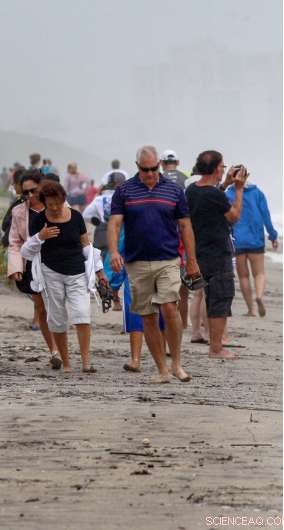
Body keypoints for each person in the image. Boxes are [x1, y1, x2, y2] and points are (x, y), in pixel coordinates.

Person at [108, 145, 199, 383]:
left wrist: (192, 260)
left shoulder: (174, 190)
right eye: (145, 169)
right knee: (147, 316)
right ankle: (162, 370)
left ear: (159, 164)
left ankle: (177, 363)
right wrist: (115, 251)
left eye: (153, 168)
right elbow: (115, 224)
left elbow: (186, 226)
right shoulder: (125, 190)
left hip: (168, 258)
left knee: (170, 307)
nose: (149, 173)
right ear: (137, 166)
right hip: (137, 262)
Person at [20, 181, 106, 373]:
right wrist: (40, 236)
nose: (55, 208)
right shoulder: (39, 220)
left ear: (63, 199)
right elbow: (26, 251)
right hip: (51, 273)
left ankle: (86, 362)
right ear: (44, 203)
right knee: (57, 318)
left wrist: (99, 271)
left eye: (58, 203)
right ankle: (66, 363)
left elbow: (86, 246)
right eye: (50, 204)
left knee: (82, 314)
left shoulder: (75, 217)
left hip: (77, 272)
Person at [186, 151, 247, 359]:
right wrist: (238, 189)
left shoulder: (192, 190)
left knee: (206, 297)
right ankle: (216, 348)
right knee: (219, 300)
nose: (224, 170)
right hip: (218, 254)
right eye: (222, 166)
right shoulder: (214, 194)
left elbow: (210, 201)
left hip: (198, 252)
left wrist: (226, 185)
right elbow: (234, 216)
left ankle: (212, 343)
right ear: (215, 169)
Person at [7, 170, 60, 367]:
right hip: (32, 264)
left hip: (58, 262)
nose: (30, 196)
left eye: (33, 191)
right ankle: (54, 351)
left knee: (58, 308)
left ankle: (61, 346)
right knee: (41, 308)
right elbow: (14, 241)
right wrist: (15, 266)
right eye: (25, 193)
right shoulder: (19, 212)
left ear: (41, 187)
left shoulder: (58, 205)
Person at [225, 178, 279, 317]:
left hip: (237, 240)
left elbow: (225, 217)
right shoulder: (257, 193)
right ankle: (259, 295)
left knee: (243, 277)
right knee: (259, 273)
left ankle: (251, 310)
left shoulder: (228, 194)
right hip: (256, 240)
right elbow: (266, 216)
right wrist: (273, 236)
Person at [83, 171, 127, 310]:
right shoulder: (124, 197)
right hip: (120, 232)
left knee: (103, 266)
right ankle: (115, 298)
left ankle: (103, 290)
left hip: (102, 230)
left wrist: (96, 221)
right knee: (118, 266)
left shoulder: (99, 199)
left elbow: (86, 214)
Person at [161, 149, 191, 327]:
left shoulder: (156, 178)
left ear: (162, 163)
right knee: (184, 285)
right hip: (183, 230)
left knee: (164, 284)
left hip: (163, 233)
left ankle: (168, 323)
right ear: (177, 162)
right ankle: (184, 323)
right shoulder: (186, 177)